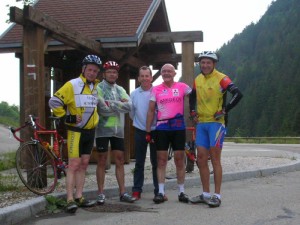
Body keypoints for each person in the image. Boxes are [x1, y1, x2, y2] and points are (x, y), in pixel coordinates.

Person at [49, 55, 103, 213]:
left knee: (84, 164)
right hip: (76, 131)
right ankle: (69, 199)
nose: (92, 73)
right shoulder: (73, 84)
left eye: (95, 71)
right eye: (90, 70)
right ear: (83, 69)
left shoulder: (95, 87)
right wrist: (67, 117)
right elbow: (54, 101)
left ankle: (79, 197)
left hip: (90, 131)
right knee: (73, 165)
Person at [189, 51, 243, 207]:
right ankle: (205, 194)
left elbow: (238, 94)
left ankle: (217, 195)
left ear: (214, 64)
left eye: (208, 63)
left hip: (216, 124)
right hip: (201, 124)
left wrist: (225, 110)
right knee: (200, 159)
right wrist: (193, 112)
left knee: (215, 159)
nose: (205, 65)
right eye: (202, 62)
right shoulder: (197, 79)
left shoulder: (221, 78)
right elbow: (192, 97)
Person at [146, 63, 192, 204]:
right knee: (161, 160)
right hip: (162, 127)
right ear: (161, 74)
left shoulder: (183, 87)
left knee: (179, 159)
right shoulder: (156, 89)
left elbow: (196, 95)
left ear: (174, 73)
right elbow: (151, 110)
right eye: (163, 71)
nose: (166, 73)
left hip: (178, 127)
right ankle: (160, 192)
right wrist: (148, 131)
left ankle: (182, 191)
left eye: (169, 71)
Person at [95, 60, 135, 204]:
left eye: (114, 72)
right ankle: (100, 193)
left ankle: (123, 192)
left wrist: (110, 103)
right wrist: (119, 104)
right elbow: (102, 109)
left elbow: (129, 106)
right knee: (101, 160)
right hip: (102, 129)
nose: (112, 74)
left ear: (117, 75)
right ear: (104, 74)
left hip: (118, 129)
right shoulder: (98, 87)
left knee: (119, 160)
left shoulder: (120, 89)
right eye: (109, 72)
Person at [130, 66, 160, 201]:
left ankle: (158, 190)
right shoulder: (134, 93)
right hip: (139, 130)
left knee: (156, 162)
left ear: (151, 78)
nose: (144, 78)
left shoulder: (157, 92)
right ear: (138, 78)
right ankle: (137, 190)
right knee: (139, 163)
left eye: (146, 76)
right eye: (141, 76)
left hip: (156, 131)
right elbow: (132, 113)